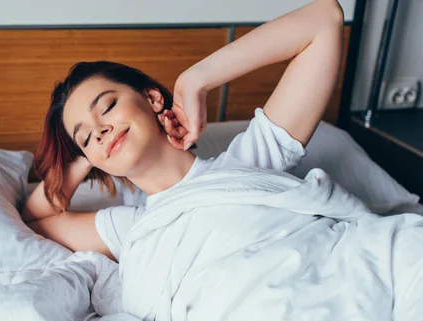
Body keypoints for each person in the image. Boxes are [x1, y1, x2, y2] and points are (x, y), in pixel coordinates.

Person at [22, 0, 346, 260]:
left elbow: (324, 18)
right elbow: (34, 221)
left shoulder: (249, 162)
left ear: (150, 97)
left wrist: (195, 80)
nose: (101, 130)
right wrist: (86, 159)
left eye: (106, 107)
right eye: (87, 137)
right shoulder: (135, 229)